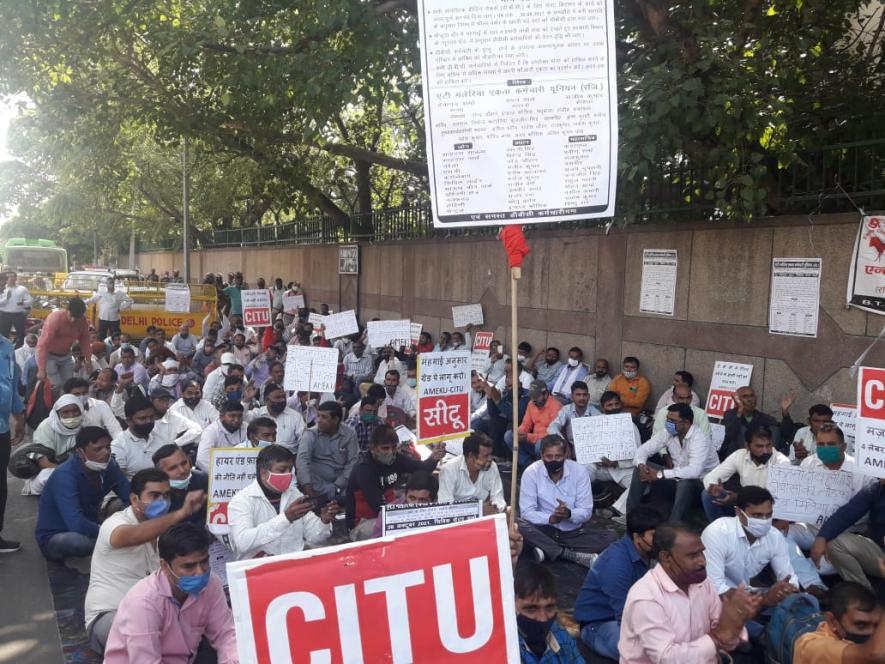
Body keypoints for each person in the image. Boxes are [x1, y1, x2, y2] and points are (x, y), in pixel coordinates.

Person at [84, 468, 205, 654]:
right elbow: (133, 536)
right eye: (154, 496)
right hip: (110, 616)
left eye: (166, 496)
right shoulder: (114, 524)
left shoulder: (166, 532)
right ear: (134, 500)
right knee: (150, 638)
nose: (162, 502)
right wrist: (182, 513)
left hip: (156, 615)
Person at [619, 522, 760, 663]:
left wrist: (736, 621)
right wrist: (717, 638)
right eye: (692, 555)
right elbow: (667, 658)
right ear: (666, 558)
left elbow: (722, 629)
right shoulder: (646, 598)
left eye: (701, 552)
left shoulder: (702, 583)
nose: (702, 562)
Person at [103, 523, 238, 664]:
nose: (200, 572)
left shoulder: (211, 584)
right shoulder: (143, 602)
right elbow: (146, 661)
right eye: (189, 566)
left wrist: (233, 660)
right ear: (164, 566)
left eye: (204, 562)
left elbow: (226, 634)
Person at [701, 486, 799, 638]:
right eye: (757, 515)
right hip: (717, 596)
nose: (764, 521)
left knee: (801, 601)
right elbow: (716, 589)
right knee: (716, 608)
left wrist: (785, 590)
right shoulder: (718, 532)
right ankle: (762, 636)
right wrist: (765, 600)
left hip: (749, 593)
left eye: (769, 515)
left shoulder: (774, 536)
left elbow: (788, 577)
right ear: (739, 513)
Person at [574, 506, 664, 661]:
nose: (661, 542)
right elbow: (624, 616)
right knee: (642, 651)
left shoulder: (650, 553)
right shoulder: (616, 564)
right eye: (654, 536)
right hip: (601, 624)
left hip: (639, 616)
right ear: (637, 537)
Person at [35, 427, 130, 561]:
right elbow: (75, 523)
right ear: (80, 452)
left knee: (130, 507)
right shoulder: (64, 476)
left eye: (108, 447)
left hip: (92, 524)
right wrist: (111, 531)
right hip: (58, 534)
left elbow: (129, 494)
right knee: (78, 542)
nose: (106, 452)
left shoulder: (109, 465)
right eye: (98, 449)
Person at [227, 444, 337, 559]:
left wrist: (324, 521)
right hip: (259, 569)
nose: (288, 474)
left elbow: (314, 537)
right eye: (282, 470)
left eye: (290, 470)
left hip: (293, 565)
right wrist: (286, 518)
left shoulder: (295, 494)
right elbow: (243, 543)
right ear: (263, 473)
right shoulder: (242, 501)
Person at [518, 435, 612, 568]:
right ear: (541, 455)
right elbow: (527, 512)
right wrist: (551, 518)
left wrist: (569, 514)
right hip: (543, 529)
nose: (553, 460)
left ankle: (545, 549)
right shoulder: (531, 473)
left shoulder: (579, 472)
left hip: (572, 534)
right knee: (516, 524)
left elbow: (586, 511)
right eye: (549, 457)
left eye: (558, 456)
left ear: (566, 455)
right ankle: (566, 554)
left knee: (610, 538)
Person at [345, 425, 444, 539]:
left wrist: (434, 458)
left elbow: (422, 468)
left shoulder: (397, 458)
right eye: (385, 448)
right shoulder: (364, 469)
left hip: (389, 512)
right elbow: (380, 509)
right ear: (373, 448)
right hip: (363, 522)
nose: (390, 452)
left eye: (394, 447)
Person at [627, 403, 718, 521]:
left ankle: (673, 526)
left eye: (672, 420)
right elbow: (643, 450)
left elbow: (694, 471)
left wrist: (660, 475)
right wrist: (641, 464)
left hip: (703, 488)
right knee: (643, 467)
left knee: (685, 483)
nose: (668, 423)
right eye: (667, 419)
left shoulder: (700, 439)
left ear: (686, 423)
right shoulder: (668, 433)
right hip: (676, 480)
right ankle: (630, 514)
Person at [701, 425, 790, 522]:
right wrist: (715, 488)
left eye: (768, 445)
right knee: (708, 494)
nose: (765, 451)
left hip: (767, 514)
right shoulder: (740, 455)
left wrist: (738, 498)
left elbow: (773, 498)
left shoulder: (782, 462)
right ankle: (723, 533)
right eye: (759, 446)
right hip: (744, 508)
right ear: (747, 446)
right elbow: (710, 477)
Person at [811, 477, 885, 589]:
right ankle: (864, 595)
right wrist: (822, 536)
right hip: (879, 554)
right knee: (835, 543)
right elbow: (847, 513)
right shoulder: (876, 487)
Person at [793, 581, 885, 663]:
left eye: (877, 625)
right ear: (833, 621)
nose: (871, 632)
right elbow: (876, 655)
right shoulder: (812, 646)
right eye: (861, 625)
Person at [514, 561, 585, 664]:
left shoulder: (561, 636)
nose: (542, 618)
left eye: (549, 608)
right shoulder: (504, 648)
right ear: (513, 607)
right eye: (531, 609)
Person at [295, 401, 359, 501]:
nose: (318, 420)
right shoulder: (310, 434)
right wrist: (308, 491)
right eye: (318, 416)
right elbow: (302, 461)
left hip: (343, 483)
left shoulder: (350, 433)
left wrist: (339, 484)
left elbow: (353, 461)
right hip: (318, 485)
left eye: (324, 417)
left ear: (336, 419)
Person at [26, 394, 84, 495]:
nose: (71, 416)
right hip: (54, 469)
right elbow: (44, 463)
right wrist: (72, 473)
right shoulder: (46, 427)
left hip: (80, 470)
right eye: (65, 412)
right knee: (46, 475)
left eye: (75, 411)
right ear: (57, 414)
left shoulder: (86, 423)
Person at [437, 433, 506, 513]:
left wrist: (495, 508)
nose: (490, 459)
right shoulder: (449, 470)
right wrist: (478, 511)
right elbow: (445, 507)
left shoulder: (492, 467)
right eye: (486, 456)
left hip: (485, 519)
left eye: (490, 454)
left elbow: (498, 499)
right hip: (458, 522)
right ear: (471, 456)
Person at [0, 331, 25, 552]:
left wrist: (19, 415)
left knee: (0, 484)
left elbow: (12, 383)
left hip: (1, 428)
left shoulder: (6, 346)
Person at [36, 296, 91, 390]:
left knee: (68, 386)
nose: (73, 320)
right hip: (48, 356)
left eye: (77, 317)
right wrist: (41, 369)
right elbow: (43, 345)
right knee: (56, 386)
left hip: (66, 356)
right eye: (72, 316)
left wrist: (88, 359)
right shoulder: (55, 319)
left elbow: (85, 341)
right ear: (67, 310)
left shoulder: (83, 321)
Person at [507, 379, 562, 467]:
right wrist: (519, 432)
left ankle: (541, 467)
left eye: (536, 397)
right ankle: (528, 465)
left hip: (550, 443)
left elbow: (552, 434)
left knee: (540, 444)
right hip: (533, 439)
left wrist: (528, 437)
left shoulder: (556, 406)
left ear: (545, 394)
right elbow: (526, 423)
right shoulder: (531, 404)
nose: (533, 400)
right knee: (509, 436)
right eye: (532, 397)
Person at [152, 444, 209, 525]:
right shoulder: (155, 496)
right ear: (160, 473)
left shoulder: (203, 479)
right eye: (173, 468)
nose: (182, 470)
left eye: (184, 463)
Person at [111, 396, 166, 478]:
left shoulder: (161, 436)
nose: (148, 421)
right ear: (128, 421)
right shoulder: (119, 445)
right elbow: (119, 480)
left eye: (151, 417)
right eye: (142, 418)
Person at [720, 386, 781, 458]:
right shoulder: (730, 414)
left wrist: (785, 413)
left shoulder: (759, 415)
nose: (749, 399)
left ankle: (769, 458)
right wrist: (740, 411)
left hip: (757, 454)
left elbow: (775, 425)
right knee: (740, 429)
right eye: (745, 396)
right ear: (738, 400)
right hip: (734, 455)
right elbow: (730, 434)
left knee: (774, 429)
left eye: (752, 396)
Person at [244, 382, 305, 452]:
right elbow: (242, 419)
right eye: (278, 397)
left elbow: (303, 442)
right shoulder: (258, 413)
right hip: (261, 456)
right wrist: (246, 400)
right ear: (267, 400)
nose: (282, 400)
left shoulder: (296, 416)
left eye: (283, 397)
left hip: (287, 458)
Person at [545, 380, 600, 452]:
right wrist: (562, 441)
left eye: (584, 395)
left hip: (592, 450)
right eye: (578, 395)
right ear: (572, 396)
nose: (582, 398)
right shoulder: (566, 409)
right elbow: (552, 427)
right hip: (571, 451)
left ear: (588, 396)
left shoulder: (595, 412)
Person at [196, 402, 247, 471]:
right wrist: (224, 473)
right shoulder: (211, 431)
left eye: (240, 416)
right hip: (217, 472)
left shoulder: (246, 427)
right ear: (221, 417)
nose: (237, 420)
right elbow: (202, 459)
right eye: (232, 416)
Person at [0, 270, 32, 347]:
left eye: (13, 276)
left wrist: (22, 303)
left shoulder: (22, 289)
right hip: (4, 314)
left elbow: (30, 301)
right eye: (9, 277)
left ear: (16, 278)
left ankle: (19, 349)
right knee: (4, 333)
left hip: (18, 314)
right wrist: (6, 299)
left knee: (20, 334)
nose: (11, 278)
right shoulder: (2, 288)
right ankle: (3, 349)